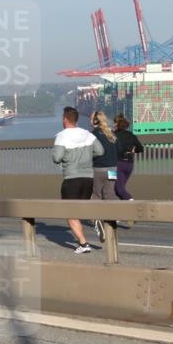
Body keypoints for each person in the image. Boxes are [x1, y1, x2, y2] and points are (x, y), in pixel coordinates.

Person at [53, 106, 104, 254]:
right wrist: (87, 158)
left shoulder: (62, 136)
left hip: (71, 178)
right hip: (88, 177)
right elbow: (100, 151)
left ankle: (83, 243)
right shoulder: (87, 134)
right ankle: (96, 219)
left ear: (65, 119)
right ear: (76, 119)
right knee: (83, 206)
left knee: (71, 213)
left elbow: (56, 158)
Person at [90, 111, 120, 242]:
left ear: (95, 121)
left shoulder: (93, 135)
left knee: (96, 195)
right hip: (113, 169)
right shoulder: (112, 134)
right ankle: (112, 220)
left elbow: (91, 152)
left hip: (99, 169)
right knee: (110, 194)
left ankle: (97, 220)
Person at [112, 114, 143, 201]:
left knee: (117, 189)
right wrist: (133, 151)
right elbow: (140, 149)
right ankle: (124, 210)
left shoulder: (113, 135)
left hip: (116, 166)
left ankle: (132, 205)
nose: (113, 125)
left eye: (114, 123)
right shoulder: (131, 135)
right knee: (118, 189)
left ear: (117, 124)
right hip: (129, 165)